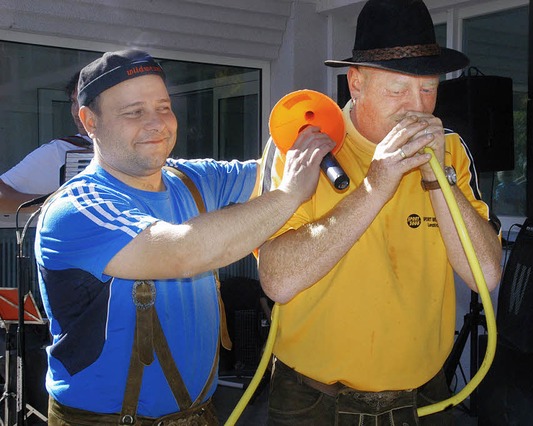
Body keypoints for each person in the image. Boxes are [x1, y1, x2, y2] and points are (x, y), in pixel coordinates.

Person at [34, 49, 333, 425]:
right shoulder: (77, 208)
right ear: (89, 121)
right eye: (134, 112)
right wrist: (289, 194)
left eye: (163, 107)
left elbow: (272, 170)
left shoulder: (191, 180)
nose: (157, 123)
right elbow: (183, 251)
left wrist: (334, 132)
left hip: (200, 415)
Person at [258, 1, 503, 425]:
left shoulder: (451, 152)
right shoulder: (302, 145)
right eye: (398, 90)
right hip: (314, 400)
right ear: (356, 84)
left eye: (428, 89)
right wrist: (377, 183)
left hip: (423, 396)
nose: (417, 107)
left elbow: (486, 275)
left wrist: (436, 179)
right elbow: (277, 281)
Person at [0, 71, 93, 214]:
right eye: (74, 102)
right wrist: (60, 205)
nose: (76, 112)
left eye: (83, 102)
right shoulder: (58, 151)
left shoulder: (130, 147)